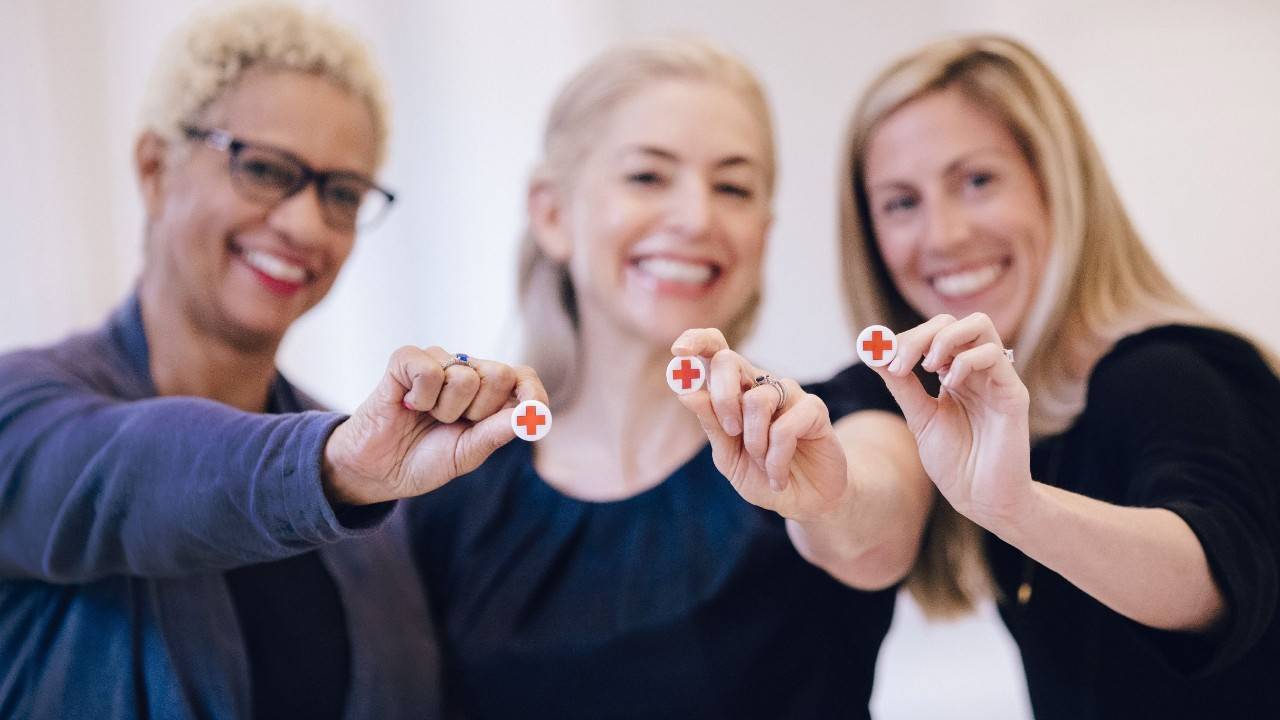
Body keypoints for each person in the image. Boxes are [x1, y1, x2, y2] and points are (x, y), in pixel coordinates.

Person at [0, 4, 546, 718]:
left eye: (341, 193)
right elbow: (127, 474)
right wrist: (335, 467)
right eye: (262, 169)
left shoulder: (373, 511)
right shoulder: (21, 412)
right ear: (154, 168)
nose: (303, 224)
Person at [405, 37, 932, 719]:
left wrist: (829, 501)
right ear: (553, 214)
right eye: (648, 177)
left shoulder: (829, 426)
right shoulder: (456, 490)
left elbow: (875, 519)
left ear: (762, 235)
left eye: (733, 187)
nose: (696, 218)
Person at [838, 34, 1280, 718]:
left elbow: (1217, 574)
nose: (943, 235)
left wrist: (1021, 508)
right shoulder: (981, 407)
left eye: (977, 180)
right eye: (901, 203)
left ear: (1056, 186)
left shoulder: (1167, 371)